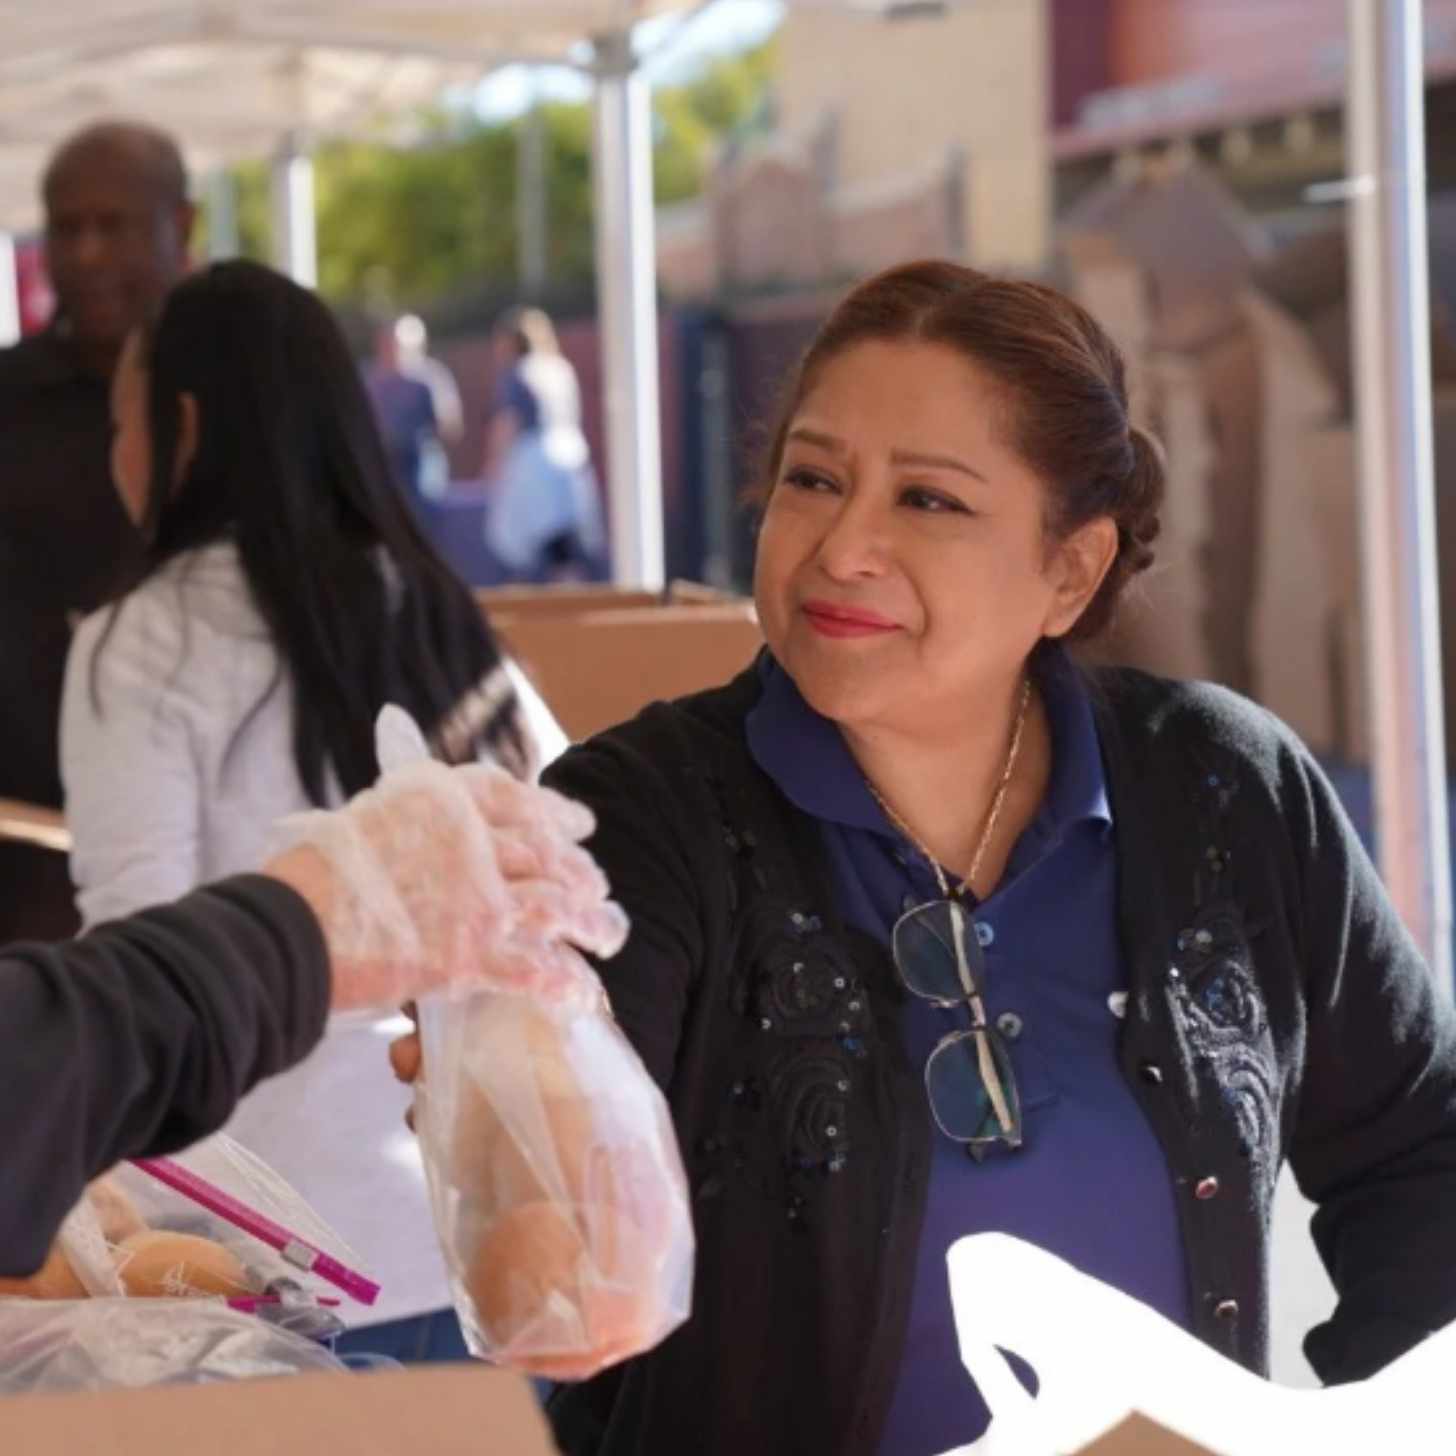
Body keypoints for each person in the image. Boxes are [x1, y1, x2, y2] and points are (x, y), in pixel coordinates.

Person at [393, 261, 1456, 1453]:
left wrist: (1371, 1421)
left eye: (928, 502)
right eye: (812, 479)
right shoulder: (635, 814)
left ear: (1070, 569)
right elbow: (551, 1263)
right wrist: (502, 1075)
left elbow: (1422, 1144)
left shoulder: (1225, 789)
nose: (841, 545)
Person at [59, 260, 566, 1355]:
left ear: (181, 428)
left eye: (121, 425)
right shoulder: (439, 614)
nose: (116, 456)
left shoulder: (141, 640)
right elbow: (562, 862)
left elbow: (136, 966)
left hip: (252, 1263)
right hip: (482, 1238)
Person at [1, 746, 621, 1282]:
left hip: (297, 1224)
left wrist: (299, 928)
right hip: (418, 1237)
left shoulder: (139, 650)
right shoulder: (479, 662)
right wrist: (298, 928)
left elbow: (129, 902)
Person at [0, 120, 194, 944]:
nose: (84, 254)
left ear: (179, 227)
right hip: (30, 850)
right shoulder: (6, 404)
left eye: (112, 226)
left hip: (208, 852)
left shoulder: (242, 395)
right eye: (66, 228)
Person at [482, 306, 606, 582]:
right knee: (565, 541)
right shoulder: (560, 368)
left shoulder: (517, 373)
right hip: (571, 455)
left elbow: (507, 423)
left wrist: (493, 466)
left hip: (533, 461)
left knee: (534, 545)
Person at [364, 313, 463, 507]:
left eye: (395, 344)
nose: (390, 349)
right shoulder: (371, 379)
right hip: (383, 467)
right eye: (386, 343)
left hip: (422, 464)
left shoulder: (430, 378)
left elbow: (450, 426)